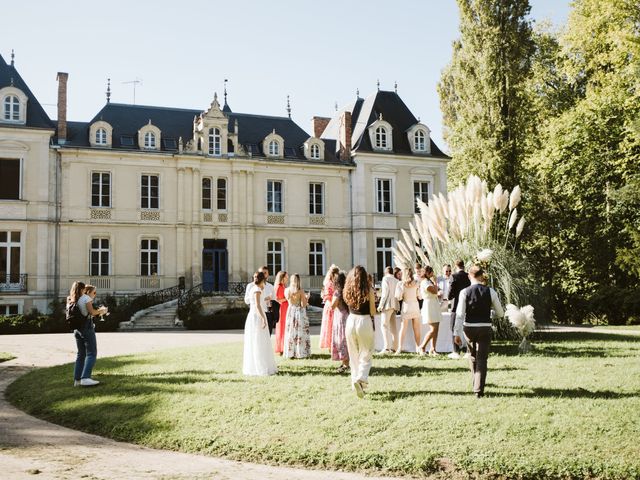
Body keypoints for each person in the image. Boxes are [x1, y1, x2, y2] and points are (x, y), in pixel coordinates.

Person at [454, 265, 504, 398]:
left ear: (469, 276)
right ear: (482, 276)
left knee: (472, 355)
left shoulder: (464, 292)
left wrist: (456, 333)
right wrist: (490, 313)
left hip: (469, 327)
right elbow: (500, 313)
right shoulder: (491, 291)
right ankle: (478, 389)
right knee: (482, 358)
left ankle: (475, 382)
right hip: (484, 327)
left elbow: (460, 314)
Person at [343, 265, 376, 398]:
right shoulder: (369, 290)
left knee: (353, 354)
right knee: (367, 352)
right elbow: (373, 311)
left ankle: (354, 382)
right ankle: (361, 378)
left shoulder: (348, 289)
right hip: (364, 321)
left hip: (351, 320)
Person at [70, 283, 108, 387]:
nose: (95, 294)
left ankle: (77, 380)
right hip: (86, 328)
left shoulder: (72, 299)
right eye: (94, 292)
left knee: (81, 354)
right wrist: (102, 310)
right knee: (92, 353)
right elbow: (92, 312)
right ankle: (85, 378)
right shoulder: (86, 298)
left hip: (77, 329)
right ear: (83, 289)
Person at [243, 271, 277, 376]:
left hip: (254, 316)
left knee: (257, 340)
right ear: (263, 280)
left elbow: (258, 301)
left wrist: (267, 298)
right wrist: (263, 318)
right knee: (259, 341)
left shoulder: (254, 289)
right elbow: (257, 305)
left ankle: (256, 366)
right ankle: (260, 367)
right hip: (257, 317)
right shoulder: (257, 289)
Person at [394, 268, 422, 354]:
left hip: (406, 306)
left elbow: (399, 297)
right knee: (417, 328)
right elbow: (420, 296)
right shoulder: (417, 283)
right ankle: (418, 347)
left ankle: (399, 348)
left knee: (403, 329)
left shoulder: (401, 284)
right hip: (415, 306)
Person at [284, 273, 311, 359]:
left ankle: (290, 352)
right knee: (300, 332)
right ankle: (300, 352)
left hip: (291, 311)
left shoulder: (287, 290)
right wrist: (306, 298)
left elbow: (289, 302)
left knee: (291, 331)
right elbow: (303, 305)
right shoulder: (300, 291)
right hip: (299, 312)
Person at [448, 259, 471, 359]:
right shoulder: (468, 276)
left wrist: (449, 296)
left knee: (453, 327)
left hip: (456, 305)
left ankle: (456, 351)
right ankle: (468, 351)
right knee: (467, 327)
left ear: (455, 266)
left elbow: (450, 293)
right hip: (467, 305)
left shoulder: (454, 276)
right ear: (463, 265)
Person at [418, 265, 442, 356]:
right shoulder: (425, 282)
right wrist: (436, 282)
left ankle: (433, 349)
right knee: (433, 329)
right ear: (427, 273)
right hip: (429, 305)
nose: (433, 274)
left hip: (434, 304)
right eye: (431, 272)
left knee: (436, 328)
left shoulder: (429, 281)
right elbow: (435, 291)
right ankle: (422, 346)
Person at [377, 266, 400, 353]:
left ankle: (386, 348)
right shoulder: (396, 280)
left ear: (385, 272)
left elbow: (385, 293)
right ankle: (395, 347)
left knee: (384, 325)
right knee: (393, 327)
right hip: (394, 305)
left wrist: (380, 305)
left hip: (387, 305)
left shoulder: (385, 279)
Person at [330, 272, 349, 373]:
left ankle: (345, 363)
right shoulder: (347, 291)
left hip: (340, 317)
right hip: (348, 315)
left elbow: (333, 305)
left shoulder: (337, 292)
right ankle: (346, 361)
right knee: (346, 339)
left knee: (341, 339)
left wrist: (329, 302)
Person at [319, 265, 340, 350]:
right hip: (330, 305)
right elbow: (327, 296)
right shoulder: (329, 283)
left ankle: (334, 344)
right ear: (334, 274)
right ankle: (330, 345)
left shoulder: (334, 283)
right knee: (330, 325)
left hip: (334, 304)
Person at [273, 271, 289, 355]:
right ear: (282, 278)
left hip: (285, 309)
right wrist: (288, 298)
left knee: (285, 328)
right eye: (286, 277)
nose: (288, 278)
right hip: (282, 309)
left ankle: (284, 347)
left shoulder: (283, 286)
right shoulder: (279, 287)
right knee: (282, 328)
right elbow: (278, 299)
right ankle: (281, 348)